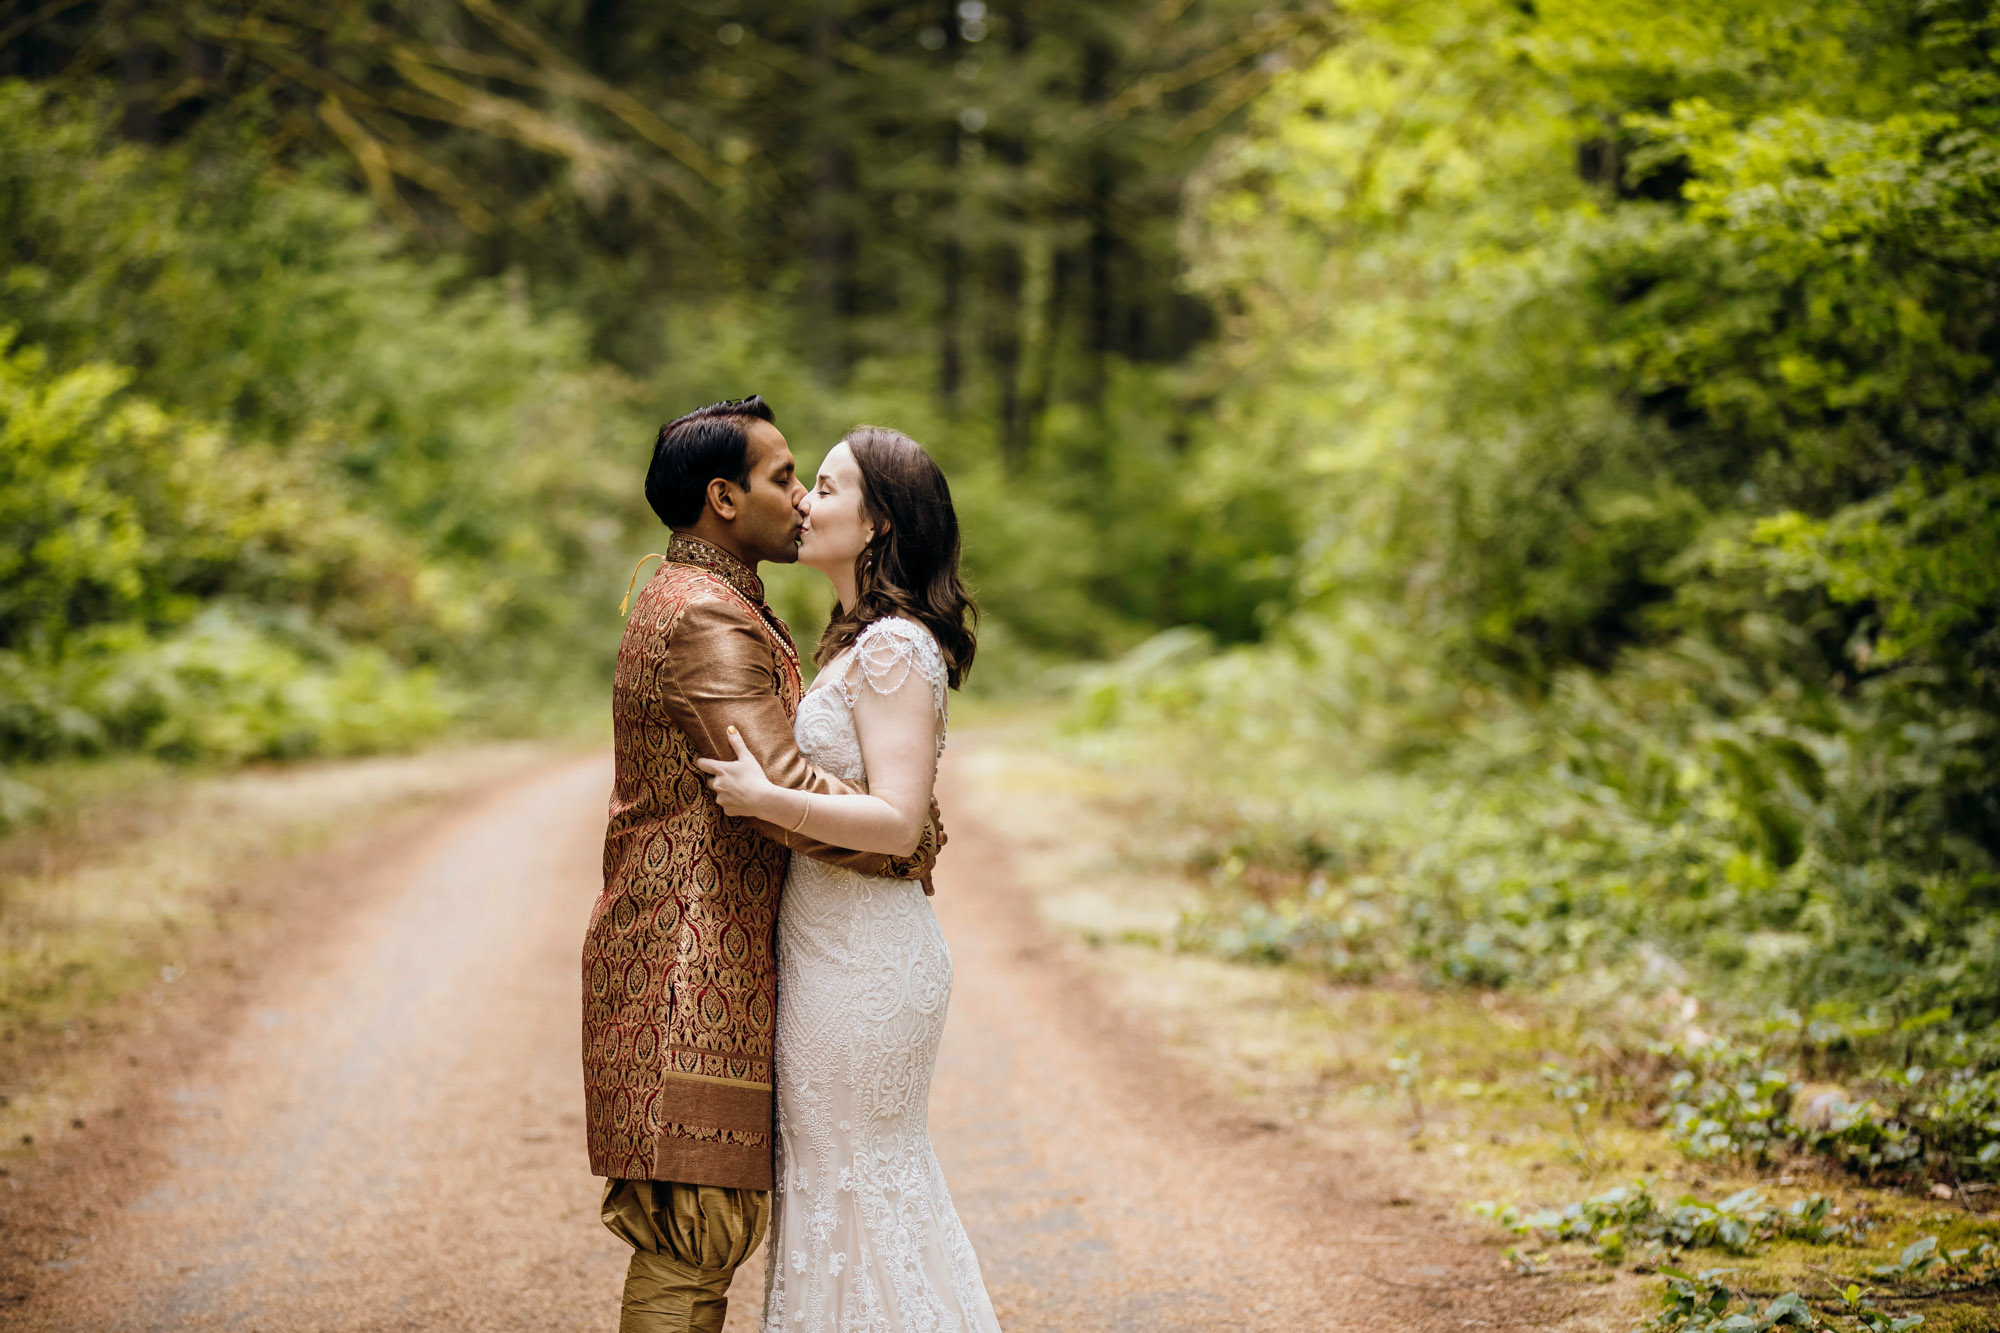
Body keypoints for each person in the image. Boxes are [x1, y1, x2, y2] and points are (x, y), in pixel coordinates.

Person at [582, 397, 941, 1333]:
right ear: (723, 499)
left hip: (712, 957)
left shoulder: (717, 597)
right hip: (687, 965)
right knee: (693, 1237)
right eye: (786, 478)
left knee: (703, 1236)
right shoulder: (705, 615)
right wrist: (911, 836)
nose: (799, 498)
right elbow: (776, 787)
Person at [697, 425, 1002, 1331]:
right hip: (832, 946)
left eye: (823, 487)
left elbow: (899, 819)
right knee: (835, 1181)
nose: (801, 500)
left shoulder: (892, 650)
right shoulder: (852, 645)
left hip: (866, 963)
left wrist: (763, 799)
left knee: (857, 1179)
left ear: (876, 524)